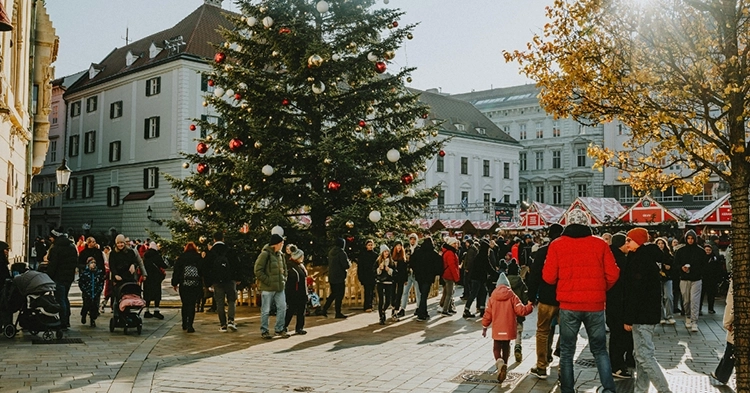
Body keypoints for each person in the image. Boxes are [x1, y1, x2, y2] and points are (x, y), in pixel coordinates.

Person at [543, 209, 619, 393]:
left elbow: (548, 277)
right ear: (587, 224)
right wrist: (600, 288)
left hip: (568, 305)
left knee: (567, 352)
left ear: (568, 223)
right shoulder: (599, 244)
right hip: (595, 305)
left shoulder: (557, 245)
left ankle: (568, 389)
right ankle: (608, 388)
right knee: (600, 350)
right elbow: (613, 273)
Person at [623, 228, 673, 393]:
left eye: (629, 240)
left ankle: (664, 390)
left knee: (644, 355)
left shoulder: (640, 260)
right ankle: (641, 389)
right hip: (647, 313)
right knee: (641, 355)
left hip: (641, 314)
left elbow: (635, 292)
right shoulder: (642, 256)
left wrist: (628, 318)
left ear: (638, 241)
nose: (627, 243)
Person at [526, 223, 563, 379]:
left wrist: (531, 297)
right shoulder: (566, 250)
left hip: (546, 298)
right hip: (564, 299)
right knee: (567, 332)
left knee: (542, 331)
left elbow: (534, 276)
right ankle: (564, 367)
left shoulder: (542, 252)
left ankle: (541, 366)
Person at [481, 273, 534, 383]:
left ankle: (500, 364)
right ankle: (504, 364)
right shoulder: (512, 296)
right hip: (508, 328)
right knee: (506, 346)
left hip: (497, 329)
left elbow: (488, 314)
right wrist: (530, 306)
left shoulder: (492, 297)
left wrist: (484, 326)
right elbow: (521, 311)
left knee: (496, 347)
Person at [607, 232, 635, 379]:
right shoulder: (621, 260)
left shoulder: (609, 256)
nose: (628, 246)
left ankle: (620, 362)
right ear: (621, 245)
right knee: (619, 335)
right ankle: (617, 365)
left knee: (616, 334)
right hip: (619, 302)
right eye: (627, 243)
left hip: (611, 301)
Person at [208, 231, 242, 333]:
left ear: (214, 239)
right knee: (231, 300)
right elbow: (237, 264)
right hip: (230, 280)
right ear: (223, 239)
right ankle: (231, 320)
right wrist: (238, 278)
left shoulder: (211, 252)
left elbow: (206, 268)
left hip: (217, 281)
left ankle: (223, 325)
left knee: (219, 303)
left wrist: (209, 282)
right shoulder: (230, 251)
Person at [255, 233, 287, 338]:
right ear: (276, 244)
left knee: (282, 307)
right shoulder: (265, 254)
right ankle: (264, 330)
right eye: (281, 243)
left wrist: (283, 279)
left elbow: (284, 269)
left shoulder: (280, 255)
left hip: (279, 287)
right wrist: (268, 281)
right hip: (268, 288)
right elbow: (258, 270)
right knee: (266, 310)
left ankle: (279, 329)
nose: (282, 244)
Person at [46, 229, 79, 330]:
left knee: (60, 299)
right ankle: (67, 320)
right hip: (68, 277)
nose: (50, 239)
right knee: (64, 298)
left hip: (58, 276)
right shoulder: (72, 247)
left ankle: (63, 322)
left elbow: (53, 265)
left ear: (55, 237)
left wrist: (49, 276)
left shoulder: (56, 248)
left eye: (51, 237)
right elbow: (75, 262)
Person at [673, 230, 704, 332]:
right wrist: (681, 268)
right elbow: (676, 263)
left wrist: (694, 270)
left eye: (692, 238)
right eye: (689, 238)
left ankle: (694, 321)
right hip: (684, 279)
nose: (690, 240)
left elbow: (704, 266)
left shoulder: (700, 251)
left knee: (694, 301)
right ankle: (688, 316)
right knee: (686, 301)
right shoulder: (681, 251)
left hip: (696, 278)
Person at [171, 242, 204, 333]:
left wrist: (174, 283)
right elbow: (202, 271)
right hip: (195, 284)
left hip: (184, 284)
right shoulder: (198, 257)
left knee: (185, 303)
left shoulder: (182, 257)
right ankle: (190, 325)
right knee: (192, 304)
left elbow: (176, 271)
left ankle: (184, 323)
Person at [410, 236, 441, 321]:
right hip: (428, 277)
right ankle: (421, 313)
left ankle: (424, 311)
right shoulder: (433, 253)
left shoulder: (418, 252)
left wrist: (416, 270)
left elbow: (411, 262)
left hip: (419, 277)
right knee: (424, 295)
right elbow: (438, 265)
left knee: (422, 294)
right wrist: (435, 273)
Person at [711, 278, 735, 385]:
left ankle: (722, 374)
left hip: (741, 323)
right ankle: (721, 374)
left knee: (732, 347)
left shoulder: (739, 278)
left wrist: (727, 322)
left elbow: (731, 302)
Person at [320, 238, 350, 319]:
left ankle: (325, 309)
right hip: (340, 276)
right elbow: (346, 265)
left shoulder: (331, 252)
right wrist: (348, 262)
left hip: (332, 276)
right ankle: (338, 312)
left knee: (333, 294)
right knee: (340, 295)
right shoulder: (341, 253)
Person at [284, 245, 307, 335]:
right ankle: (284, 326)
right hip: (294, 292)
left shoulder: (300, 266)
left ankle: (299, 327)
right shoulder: (291, 266)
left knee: (302, 310)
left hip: (301, 292)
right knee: (291, 310)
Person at [142, 242, 168, 319]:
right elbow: (164, 265)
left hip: (147, 278)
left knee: (147, 294)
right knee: (157, 294)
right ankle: (156, 311)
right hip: (156, 278)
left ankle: (147, 311)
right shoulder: (157, 256)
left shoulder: (145, 256)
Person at [654, 237, 676, 325]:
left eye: (662, 243)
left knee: (668, 296)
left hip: (667, 277)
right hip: (656, 278)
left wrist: (669, 267)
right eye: (658, 243)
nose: (660, 245)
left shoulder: (669, 255)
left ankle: (670, 315)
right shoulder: (653, 255)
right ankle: (661, 316)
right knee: (659, 297)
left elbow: (674, 266)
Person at [78, 257, 104, 327]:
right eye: (91, 263)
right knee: (86, 305)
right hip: (87, 293)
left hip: (96, 293)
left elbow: (101, 282)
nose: (93, 265)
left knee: (94, 307)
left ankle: (92, 319)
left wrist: (100, 289)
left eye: (94, 263)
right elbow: (81, 283)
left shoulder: (98, 273)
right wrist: (84, 290)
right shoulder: (85, 273)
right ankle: (84, 315)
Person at [399, 233, 421, 317]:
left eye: (414, 239)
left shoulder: (418, 249)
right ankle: (403, 308)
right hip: (408, 274)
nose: (412, 241)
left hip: (416, 274)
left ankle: (418, 307)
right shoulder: (406, 249)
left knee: (418, 292)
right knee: (405, 292)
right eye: (411, 239)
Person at [374, 244, 396, 325]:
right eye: (385, 252)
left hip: (389, 282)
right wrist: (379, 269)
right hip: (380, 282)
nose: (386, 253)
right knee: (381, 300)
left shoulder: (391, 261)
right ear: (382, 253)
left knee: (387, 300)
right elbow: (374, 272)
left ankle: (383, 310)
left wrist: (389, 270)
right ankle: (381, 317)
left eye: (387, 251)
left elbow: (395, 272)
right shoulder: (378, 261)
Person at [440, 237, 460, 316]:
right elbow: (452, 266)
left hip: (447, 274)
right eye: (454, 243)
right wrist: (456, 277)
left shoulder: (448, 252)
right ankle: (445, 310)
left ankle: (450, 308)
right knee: (449, 293)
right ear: (450, 244)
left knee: (449, 292)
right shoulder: (450, 253)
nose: (456, 245)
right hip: (449, 275)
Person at [700, 243, 722, 315]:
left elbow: (718, 269)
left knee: (711, 294)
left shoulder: (714, 258)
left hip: (712, 279)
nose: (708, 251)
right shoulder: (702, 258)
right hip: (703, 278)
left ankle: (711, 308)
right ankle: (699, 308)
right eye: (706, 250)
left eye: (709, 250)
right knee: (701, 295)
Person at [357, 240, 378, 312]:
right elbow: (360, 267)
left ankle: (371, 305)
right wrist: (360, 277)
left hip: (373, 275)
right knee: (367, 291)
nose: (370, 246)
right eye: (369, 245)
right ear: (366, 246)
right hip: (365, 275)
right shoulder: (362, 255)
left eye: (371, 245)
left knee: (372, 291)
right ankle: (367, 306)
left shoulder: (375, 255)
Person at [390, 241, 408, 318]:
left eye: (400, 246)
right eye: (397, 246)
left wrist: (405, 279)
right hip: (393, 277)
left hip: (401, 277)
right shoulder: (392, 257)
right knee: (392, 293)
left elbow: (405, 269)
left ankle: (397, 308)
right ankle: (393, 306)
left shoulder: (403, 257)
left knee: (400, 292)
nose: (399, 247)